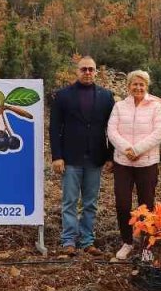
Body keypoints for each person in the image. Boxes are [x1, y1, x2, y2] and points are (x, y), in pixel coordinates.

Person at [49, 56, 115, 256]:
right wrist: (57, 156)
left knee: (90, 202)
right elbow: (54, 128)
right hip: (70, 158)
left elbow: (111, 128)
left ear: (96, 72)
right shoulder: (62, 96)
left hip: (95, 157)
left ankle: (87, 240)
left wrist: (111, 156)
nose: (87, 72)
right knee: (69, 201)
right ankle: (68, 240)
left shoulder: (106, 97)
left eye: (91, 69)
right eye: (83, 69)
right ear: (77, 71)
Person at [107, 70, 161, 260]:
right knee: (123, 203)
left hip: (147, 163)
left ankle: (147, 245)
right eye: (134, 84)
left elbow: (158, 133)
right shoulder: (120, 106)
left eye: (142, 84)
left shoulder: (155, 107)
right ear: (128, 86)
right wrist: (127, 149)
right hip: (123, 163)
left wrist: (138, 149)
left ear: (146, 86)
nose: (138, 87)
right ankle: (127, 242)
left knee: (146, 205)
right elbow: (111, 130)